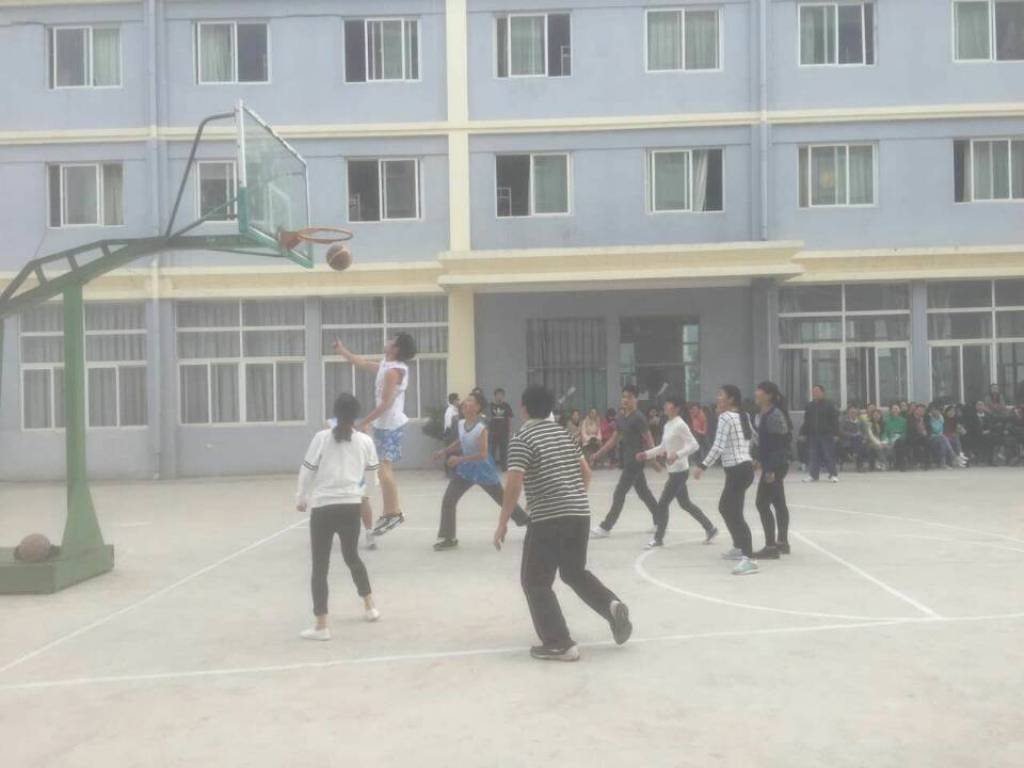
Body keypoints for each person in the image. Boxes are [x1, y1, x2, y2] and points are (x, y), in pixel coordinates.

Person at [493, 384, 633, 662]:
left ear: (523, 409)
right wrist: (571, 498)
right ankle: (611, 605)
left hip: (548, 518)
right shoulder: (565, 434)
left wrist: (503, 522)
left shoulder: (522, 438)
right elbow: (587, 473)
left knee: (535, 581)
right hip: (579, 513)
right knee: (574, 572)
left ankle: (559, 643)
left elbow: (513, 485)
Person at [296, 394, 381, 641]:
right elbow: (372, 476)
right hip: (351, 506)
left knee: (320, 566)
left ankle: (321, 625)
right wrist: (364, 495)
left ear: (334, 413)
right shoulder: (365, 441)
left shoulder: (321, 438)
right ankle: (370, 606)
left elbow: (307, 469)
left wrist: (301, 497)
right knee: (352, 557)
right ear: (356, 415)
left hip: (324, 507)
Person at [333, 332, 417, 537]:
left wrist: (363, 423)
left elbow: (386, 404)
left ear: (396, 349)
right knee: (383, 469)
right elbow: (361, 363)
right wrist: (342, 350)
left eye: (392, 341)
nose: (387, 342)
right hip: (383, 425)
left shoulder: (394, 372)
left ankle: (394, 513)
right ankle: (390, 512)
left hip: (390, 425)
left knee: (383, 468)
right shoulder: (386, 366)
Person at [433, 392, 526, 550]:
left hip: (483, 470)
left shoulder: (481, 428)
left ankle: (527, 521)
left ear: (477, 407)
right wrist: (444, 451)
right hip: (466, 471)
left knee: (504, 500)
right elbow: (461, 441)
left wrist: (459, 459)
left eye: (470, 400)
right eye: (465, 400)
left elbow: (483, 454)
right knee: (449, 500)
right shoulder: (461, 423)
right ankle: (449, 538)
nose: (465, 402)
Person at [636, 394, 717, 549]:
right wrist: (646, 454)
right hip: (674, 471)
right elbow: (663, 447)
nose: (665, 406)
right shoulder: (668, 424)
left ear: (677, 408)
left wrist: (677, 455)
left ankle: (658, 538)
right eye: (666, 403)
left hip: (680, 471)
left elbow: (694, 445)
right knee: (685, 504)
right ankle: (710, 528)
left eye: (669, 403)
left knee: (662, 504)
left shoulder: (680, 424)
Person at [693, 385, 758, 576]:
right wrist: (752, 457)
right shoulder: (744, 415)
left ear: (731, 399)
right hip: (743, 469)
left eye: (721, 395)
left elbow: (718, 446)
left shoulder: (726, 417)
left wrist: (702, 466)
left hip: (737, 470)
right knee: (729, 509)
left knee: (733, 513)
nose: (717, 398)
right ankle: (739, 547)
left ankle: (749, 559)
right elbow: (754, 438)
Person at [590, 385, 661, 538]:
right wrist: (597, 454)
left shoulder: (639, 417)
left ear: (635, 399)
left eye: (629, 397)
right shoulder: (621, 417)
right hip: (627, 460)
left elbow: (649, 438)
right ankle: (660, 520)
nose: (625, 400)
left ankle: (606, 527)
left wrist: (653, 459)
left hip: (635, 462)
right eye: (623, 397)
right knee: (644, 493)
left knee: (619, 493)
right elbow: (613, 440)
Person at [751, 381, 792, 559]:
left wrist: (769, 470)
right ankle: (782, 542)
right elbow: (764, 443)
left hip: (775, 465)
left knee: (762, 503)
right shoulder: (764, 413)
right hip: (772, 463)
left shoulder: (774, 415)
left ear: (768, 395)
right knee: (778, 502)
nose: (756, 393)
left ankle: (770, 547)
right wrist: (758, 459)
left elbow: (777, 446)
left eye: (759, 390)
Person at [801, 384, 839, 483]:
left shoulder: (829, 405)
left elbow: (834, 420)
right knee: (813, 456)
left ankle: (833, 474)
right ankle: (813, 475)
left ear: (823, 393)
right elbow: (806, 421)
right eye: (813, 392)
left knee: (828, 455)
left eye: (817, 391)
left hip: (826, 434)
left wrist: (836, 434)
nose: (815, 393)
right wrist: (803, 433)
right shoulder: (809, 406)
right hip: (813, 434)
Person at [489, 388, 514, 470]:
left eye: (501, 395)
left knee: (504, 450)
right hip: (492, 432)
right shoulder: (490, 406)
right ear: (495, 395)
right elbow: (486, 418)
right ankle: (491, 467)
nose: (500, 396)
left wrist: (510, 431)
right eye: (498, 395)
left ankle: (504, 467)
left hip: (504, 432)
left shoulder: (506, 406)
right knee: (492, 451)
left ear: (503, 396)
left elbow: (510, 418)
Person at [838, 405, 866, 471]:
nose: (853, 414)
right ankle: (859, 465)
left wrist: (864, 438)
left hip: (858, 440)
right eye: (851, 412)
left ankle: (856, 458)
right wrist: (852, 435)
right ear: (848, 412)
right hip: (847, 440)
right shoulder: (844, 420)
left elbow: (864, 431)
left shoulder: (860, 421)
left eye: (854, 412)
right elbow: (841, 431)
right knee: (858, 443)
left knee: (860, 442)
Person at [882, 403, 908, 469]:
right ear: (891, 410)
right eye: (894, 408)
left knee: (899, 443)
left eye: (897, 408)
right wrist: (885, 439)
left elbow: (905, 432)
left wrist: (899, 437)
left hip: (900, 438)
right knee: (886, 444)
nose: (895, 410)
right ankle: (891, 463)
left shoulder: (904, 420)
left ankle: (900, 463)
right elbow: (885, 432)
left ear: (899, 410)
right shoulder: (887, 420)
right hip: (890, 438)